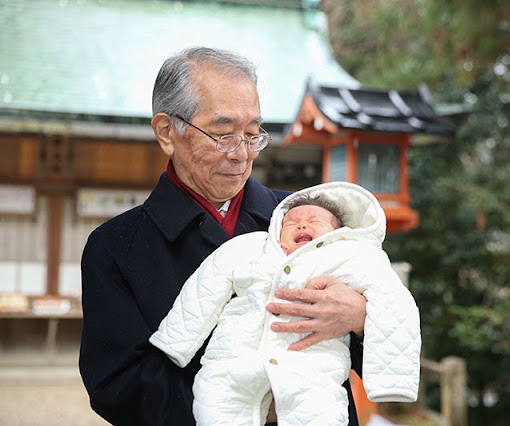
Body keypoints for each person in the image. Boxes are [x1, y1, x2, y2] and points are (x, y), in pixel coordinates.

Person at [79, 47, 368, 426]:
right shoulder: (115, 246)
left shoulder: (311, 222)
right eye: (223, 134)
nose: (242, 154)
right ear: (167, 132)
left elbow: (393, 341)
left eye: (252, 134)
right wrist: (249, 410)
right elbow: (116, 385)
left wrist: (362, 320)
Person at [149, 182, 421, 425]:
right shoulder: (252, 247)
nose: (302, 225)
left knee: (320, 414)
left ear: (338, 232)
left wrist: (393, 380)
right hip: (235, 357)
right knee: (216, 405)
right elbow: (207, 283)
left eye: (314, 220)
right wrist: (177, 340)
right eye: (291, 222)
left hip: (314, 366)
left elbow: (394, 301)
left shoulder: (351, 255)